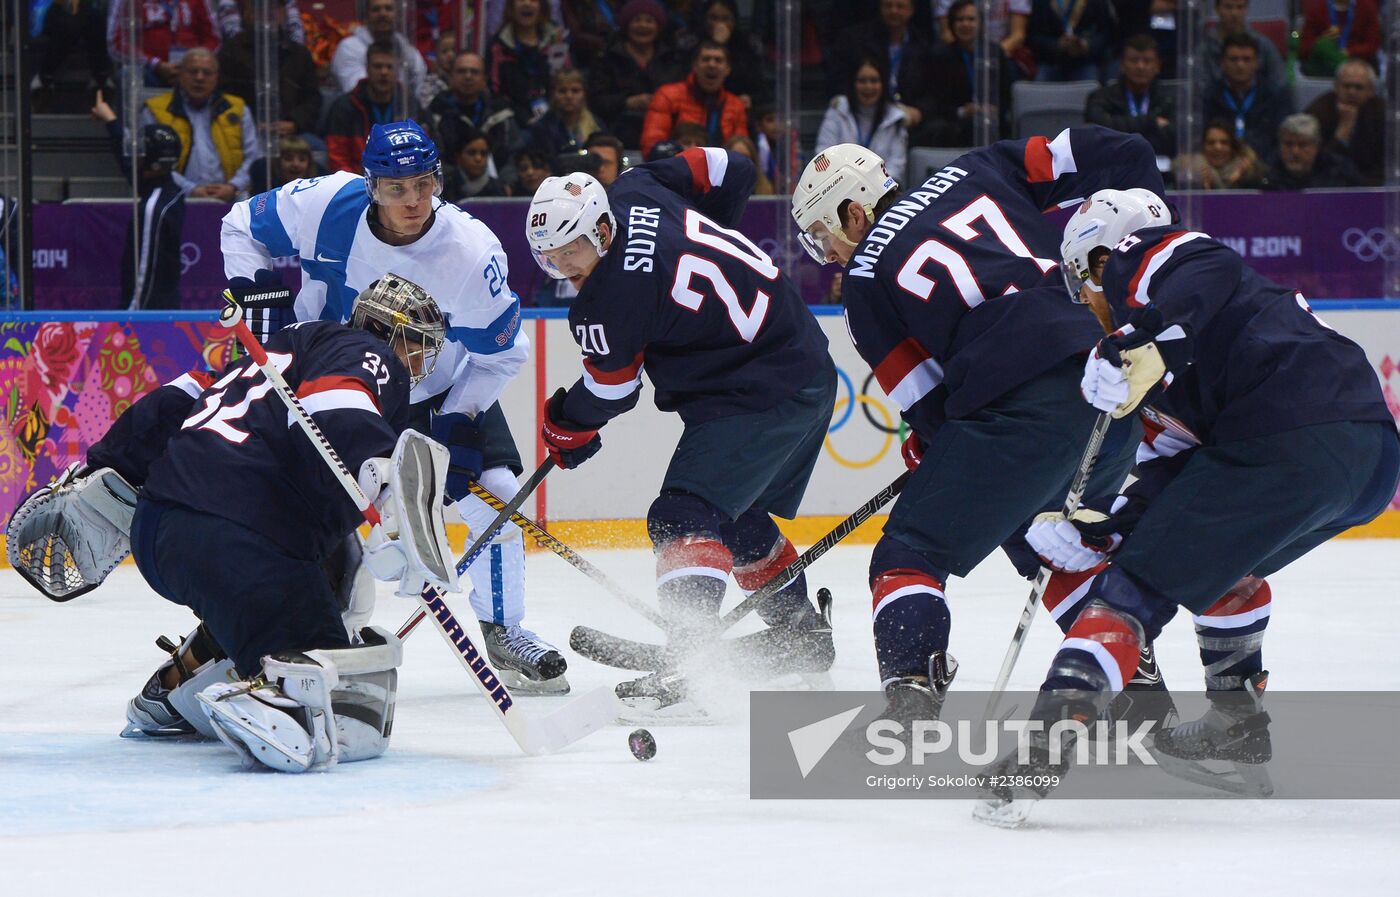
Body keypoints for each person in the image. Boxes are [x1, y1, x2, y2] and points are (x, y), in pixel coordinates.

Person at [979, 186, 1398, 817]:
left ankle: (1042, 750)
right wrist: (1105, 530)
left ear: (1099, 259)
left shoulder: (1150, 259)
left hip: (1285, 438)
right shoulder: (1159, 366)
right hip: (1368, 460)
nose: (1084, 302)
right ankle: (1237, 728)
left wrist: (1144, 337)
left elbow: (1206, 266)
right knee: (1224, 571)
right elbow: (1176, 486)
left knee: (1127, 597)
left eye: (1078, 281)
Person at [791, 128, 1169, 724]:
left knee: (909, 552)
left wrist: (939, 448)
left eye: (822, 235)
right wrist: (1145, 267)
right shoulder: (979, 168)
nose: (829, 255)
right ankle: (1140, 695)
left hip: (1020, 405)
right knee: (1054, 544)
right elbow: (1128, 152)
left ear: (853, 213)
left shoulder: (863, 278)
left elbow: (927, 401)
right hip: (1111, 384)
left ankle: (912, 700)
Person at [219, 120, 570, 693]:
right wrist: (258, 292)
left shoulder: (470, 252)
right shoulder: (327, 204)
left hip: (439, 392)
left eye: (424, 184)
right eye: (396, 187)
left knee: (498, 495)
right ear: (371, 186)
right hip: (338, 389)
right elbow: (239, 223)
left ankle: (505, 633)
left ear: (438, 180)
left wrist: (459, 419)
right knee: (313, 512)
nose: (413, 200)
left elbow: (503, 355)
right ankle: (310, 635)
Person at [66, 276, 455, 772]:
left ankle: (175, 692)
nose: (418, 362)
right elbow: (340, 411)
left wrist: (105, 465)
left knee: (333, 565)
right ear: (387, 331)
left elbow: (174, 401)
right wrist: (390, 497)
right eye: (417, 346)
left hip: (161, 529)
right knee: (330, 701)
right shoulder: (368, 353)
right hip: (237, 540)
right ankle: (268, 699)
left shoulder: (279, 347)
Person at [528, 148, 838, 708]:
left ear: (602, 230)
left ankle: (690, 659)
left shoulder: (609, 301)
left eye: (572, 251)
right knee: (732, 516)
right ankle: (802, 634)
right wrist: (706, 241)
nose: (565, 269)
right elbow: (732, 169)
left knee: (682, 515)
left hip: (758, 390)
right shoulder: (635, 187)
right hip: (803, 361)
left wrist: (566, 426)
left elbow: (612, 392)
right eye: (550, 258)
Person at [93, 91, 187, 309]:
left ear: (152, 163)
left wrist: (132, 317)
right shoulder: (167, 190)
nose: (134, 158)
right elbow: (131, 168)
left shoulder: (154, 208)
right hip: (159, 310)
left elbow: (145, 272)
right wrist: (110, 120)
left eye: (140, 154)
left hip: (147, 315)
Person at [139, 48, 259, 202]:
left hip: (232, 199)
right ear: (180, 74)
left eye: (207, 72)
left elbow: (254, 155)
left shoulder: (238, 108)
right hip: (175, 199)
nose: (199, 78)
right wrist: (190, 189)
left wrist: (233, 186)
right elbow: (153, 162)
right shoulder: (155, 109)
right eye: (193, 71)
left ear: (216, 77)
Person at [831, 0, 935, 144]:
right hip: (866, 112)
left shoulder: (922, 44)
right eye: (888, 6)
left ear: (911, 10)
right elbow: (840, 79)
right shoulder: (855, 40)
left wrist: (920, 111)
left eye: (900, 6)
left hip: (908, 116)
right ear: (880, 8)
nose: (894, 11)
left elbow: (933, 89)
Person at [217, 0, 321, 140]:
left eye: (275, 6)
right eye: (261, 7)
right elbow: (222, 96)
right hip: (243, 131)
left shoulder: (300, 54)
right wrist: (249, 123)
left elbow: (312, 99)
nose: (268, 12)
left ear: (284, 12)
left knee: (314, 146)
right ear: (249, 13)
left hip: (291, 133)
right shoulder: (231, 51)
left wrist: (294, 123)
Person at [588, 0, 682, 150]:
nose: (643, 25)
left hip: (666, 136)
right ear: (626, 25)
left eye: (649, 21)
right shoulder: (607, 59)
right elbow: (596, 100)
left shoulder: (671, 59)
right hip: (618, 135)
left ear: (658, 27)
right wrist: (627, 102)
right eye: (637, 20)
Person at [923, 0, 1014, 147]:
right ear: (952, 24)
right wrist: (962, 111)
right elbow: (935, 100)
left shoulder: (994, 53)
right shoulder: (940, 56)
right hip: (954, 123)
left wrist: (994, 109)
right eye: (960, 19)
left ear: (981, 23)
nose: (965, 24)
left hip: (991, 122)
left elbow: (1005, 92)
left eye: (971, 19)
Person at [640, 40, 748, 158]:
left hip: (720, 168)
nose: (712, 64)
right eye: (706, 59)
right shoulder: (667, 95)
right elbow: (652, 146)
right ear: (694, 66)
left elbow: (742, 151)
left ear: (727, 69)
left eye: (718, 60)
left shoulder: (736, 105)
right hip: (676, 165)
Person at [325, 41, 417, 174]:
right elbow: (338, 158)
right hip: (359, 180)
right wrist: (359, 183)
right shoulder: (345, 106)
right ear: (367, 68)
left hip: (403, 179)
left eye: (390, 67)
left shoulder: (409, 103)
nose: (384, 72)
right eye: (377, 66)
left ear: (397, 71)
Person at [815, 56, 908, 186]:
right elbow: (823, 154)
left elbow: (896, 168)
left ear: (883, 84)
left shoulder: (896, 118)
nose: (868, 86)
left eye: (874, 80)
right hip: (840, 188)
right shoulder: (837, 111)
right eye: (862, 81)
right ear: (852, 84)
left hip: (882, 191)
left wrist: (872, 187)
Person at [428, 51, 519, 177]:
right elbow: (431, 159)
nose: (468, 76)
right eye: (461, 71)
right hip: (448, 184)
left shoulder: (501, 113)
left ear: (484, 79)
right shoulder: (435, 113)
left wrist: (505, 182)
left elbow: (514, 155)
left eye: (474, 72)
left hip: (498, 185)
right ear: (451, 77)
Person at [1202, 33, 1292, 160]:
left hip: (1264, 163)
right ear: (1222, 63)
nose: (1240, 65)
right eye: (1234, 59)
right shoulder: (1209, 95)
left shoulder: (1276, 95)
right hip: (1218, 162)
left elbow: (1284, 139)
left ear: (1256, 63)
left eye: (1246, 59)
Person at [1085, 34, 1176, 159]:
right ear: (1122, 65)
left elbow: (1177, 136)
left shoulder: (1170, 98)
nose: (1140, 66)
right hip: (1114, 160)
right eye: (1134, 60)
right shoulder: (1102, 97)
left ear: (1157, 66)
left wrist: (1123, 131)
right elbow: (1098, 131)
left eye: (1147, 61)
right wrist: (1151, 122)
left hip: (1161, 160)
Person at [488, 0, 574, 127]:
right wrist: (523, 117)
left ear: (541, 7)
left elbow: (568, 80)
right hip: (513, 121)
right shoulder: (498, 47)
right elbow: (494, 92)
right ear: (512, 6)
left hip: (556, 116)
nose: (527, 4)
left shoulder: (556, 42)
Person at [1304, 57, 1384, 185]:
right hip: (1326, 185)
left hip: (1372, 186)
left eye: (1359, 87)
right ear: (1336, 87)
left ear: (1371, 91)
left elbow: (1386, 163)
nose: (1352, 92)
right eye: (1346, 86)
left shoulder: (1383, 114)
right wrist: (1343, 131)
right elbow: (1316, 164)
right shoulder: (1318, 111)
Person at [331, 0, 429, 102]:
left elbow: (420, 92)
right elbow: (357, 92)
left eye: (388, 9)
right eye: (376, 9)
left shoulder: (407, 50)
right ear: (366, 16)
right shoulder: (349, 47)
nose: (383, 14)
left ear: (398, 15)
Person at [106, 0, 221, 87]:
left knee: (206, 73)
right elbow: (116, 43)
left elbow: (213, 40)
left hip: (192, 70)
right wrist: (156, 64)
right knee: (129, 75)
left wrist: (193, 64)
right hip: (148, 70)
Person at [675, 0, 767, 107]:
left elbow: (760, 88)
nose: (719, 24)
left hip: (735, 107)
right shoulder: (690, 43)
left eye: (725, 19)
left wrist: (751, 99)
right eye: (713, 18)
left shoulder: (747, 46)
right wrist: (715, 44)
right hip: (694, 105)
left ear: (734, 21)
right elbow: (685, 78)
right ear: (705, 20)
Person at [1264, 113, 1361, 190]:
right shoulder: (1269, 173)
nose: (1295, 152)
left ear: (1317, 145)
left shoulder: (1340, 172)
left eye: (1302, 145)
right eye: (1288, 144)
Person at [1202, 0, 1285, 89]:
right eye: (1228, 7)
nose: (1234, 13)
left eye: (1240, 7)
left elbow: (1280, 84)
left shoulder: (1262, 44)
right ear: (1217, 9)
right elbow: (1200, 86)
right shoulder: (1205, 47)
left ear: (1246, 10)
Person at [527, 68, 605, 160]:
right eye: (562, 91)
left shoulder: (596, 125)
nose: (569, 96)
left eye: (575, 91)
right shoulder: (541, 129)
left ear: (584, 94)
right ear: (553, 94)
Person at [1026, 0, 1113, 82]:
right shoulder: (1040, 2)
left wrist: (1087, 45)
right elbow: (1033, 36)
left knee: (1091, 87)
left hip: (1085, 62)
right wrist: (1057, 44)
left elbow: (1105, 31)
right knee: (1039, 88)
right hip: (1050, 62)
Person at [1173, 119, 1267, 189]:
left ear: (1233, 147)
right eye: (1211, 143)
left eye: (1224, 142)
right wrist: (1199, 186)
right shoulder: (1189, 173)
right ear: (1202, 147)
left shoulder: (1251, 173)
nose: (1218, 148)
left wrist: (1243, 181)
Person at [1299, 0, 1381, 76]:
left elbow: (1373, 44)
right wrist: (1324, 41)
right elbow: (1305, 47)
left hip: (1358, 62)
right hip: (1325, 66)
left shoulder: (1366, 7)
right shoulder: (1317, 8)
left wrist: (1350, 51)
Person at [444, 130, 510, 200]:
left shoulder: (498, 189)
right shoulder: (444, 186)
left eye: (483, 153)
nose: (478, 158)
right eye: (471, 153)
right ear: (458, 157)